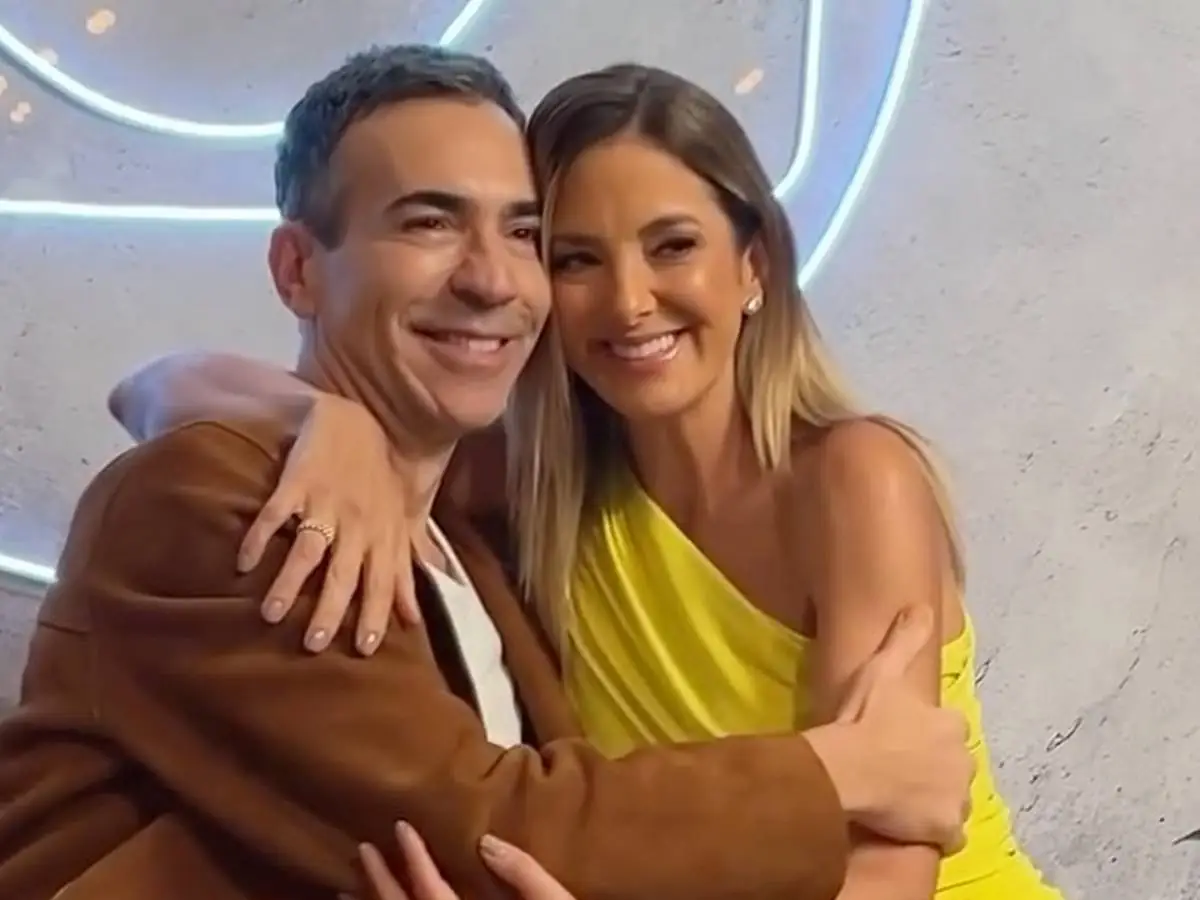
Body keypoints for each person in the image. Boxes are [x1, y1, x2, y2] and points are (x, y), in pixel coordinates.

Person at [0, 46, 974, 900]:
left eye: (521, 233)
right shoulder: (234, 503)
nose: (492, 278)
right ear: (298, 271)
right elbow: (485, 826)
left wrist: (316, 415)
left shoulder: (483, 522)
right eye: (429, 223)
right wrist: (845, 769)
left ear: (754, 262)